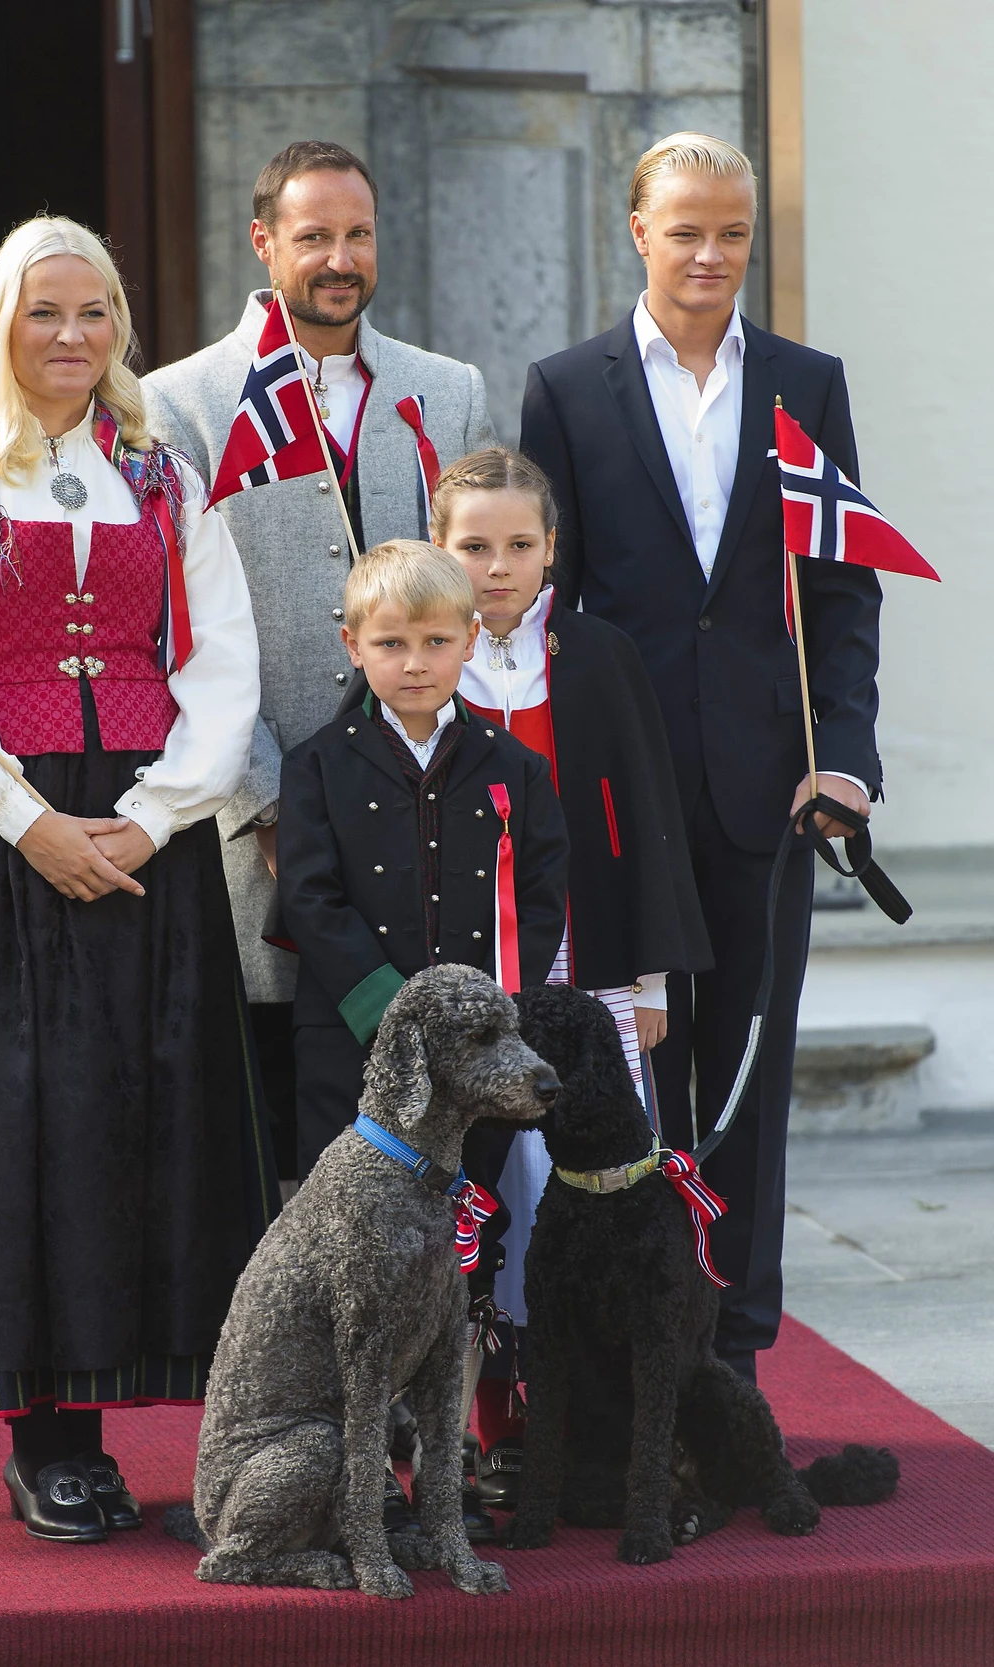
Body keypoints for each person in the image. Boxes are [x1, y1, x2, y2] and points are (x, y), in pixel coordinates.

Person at [0, 216, 278, 1543]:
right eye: (46, 312)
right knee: (28, 1117)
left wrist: (153, 818)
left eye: (94, 311)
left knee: (160, 1106)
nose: (71, 336)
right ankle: (52, 1439)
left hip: (145, 829)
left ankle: (211, 1419)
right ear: (0, 321)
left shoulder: (163, 471)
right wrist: (27, 818)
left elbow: (221, 661)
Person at [519, 133, 881, 1384]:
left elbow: (841, 591)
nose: (710, 255)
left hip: (764, 795)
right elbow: (542, 605)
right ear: (637, 231)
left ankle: (732, 1355)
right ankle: (622, 1353)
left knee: (745, 1077)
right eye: (685, 230)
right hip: (614, 802)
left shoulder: (805, 382)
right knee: (622, 1078)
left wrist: (844, 757)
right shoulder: (564, 389)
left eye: (731, 232)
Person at [142, 140, 498, 1184]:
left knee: (426, 1114)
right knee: (273, 1121)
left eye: (357, 235)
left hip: (421, 816)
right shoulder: (182, 406)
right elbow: (175, 630)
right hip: (257, 819)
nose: (338, 259)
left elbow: (476, 599)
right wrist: (263, 803)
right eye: (313, 238)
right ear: (263, 243)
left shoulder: (448, 392)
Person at [431, 446, 711, 1502]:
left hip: (580, 973)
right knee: (480, 1187)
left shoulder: (594, 655)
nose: (496, 567)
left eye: (517, 544)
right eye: (472, 545)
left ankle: (600, 1426)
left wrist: (645, 982)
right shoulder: (422, 653)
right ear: (438, 543)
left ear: (551, 548)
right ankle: (488, 1420)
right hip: (470, 978)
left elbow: (642, 816)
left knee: (580, 1188)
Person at [274, 540, 569, 1178]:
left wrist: (493, 1015)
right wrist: (390, 1014)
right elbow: (309, 897)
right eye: (390, 645)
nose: (414, 664)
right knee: (347, 1226)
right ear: (353, 645)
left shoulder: (518, 768)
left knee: (470, 1219)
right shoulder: (315, 768)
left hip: (475, 1050)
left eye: (436, 642)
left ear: (469, 640)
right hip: (349, 1035)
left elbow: (541, 899)